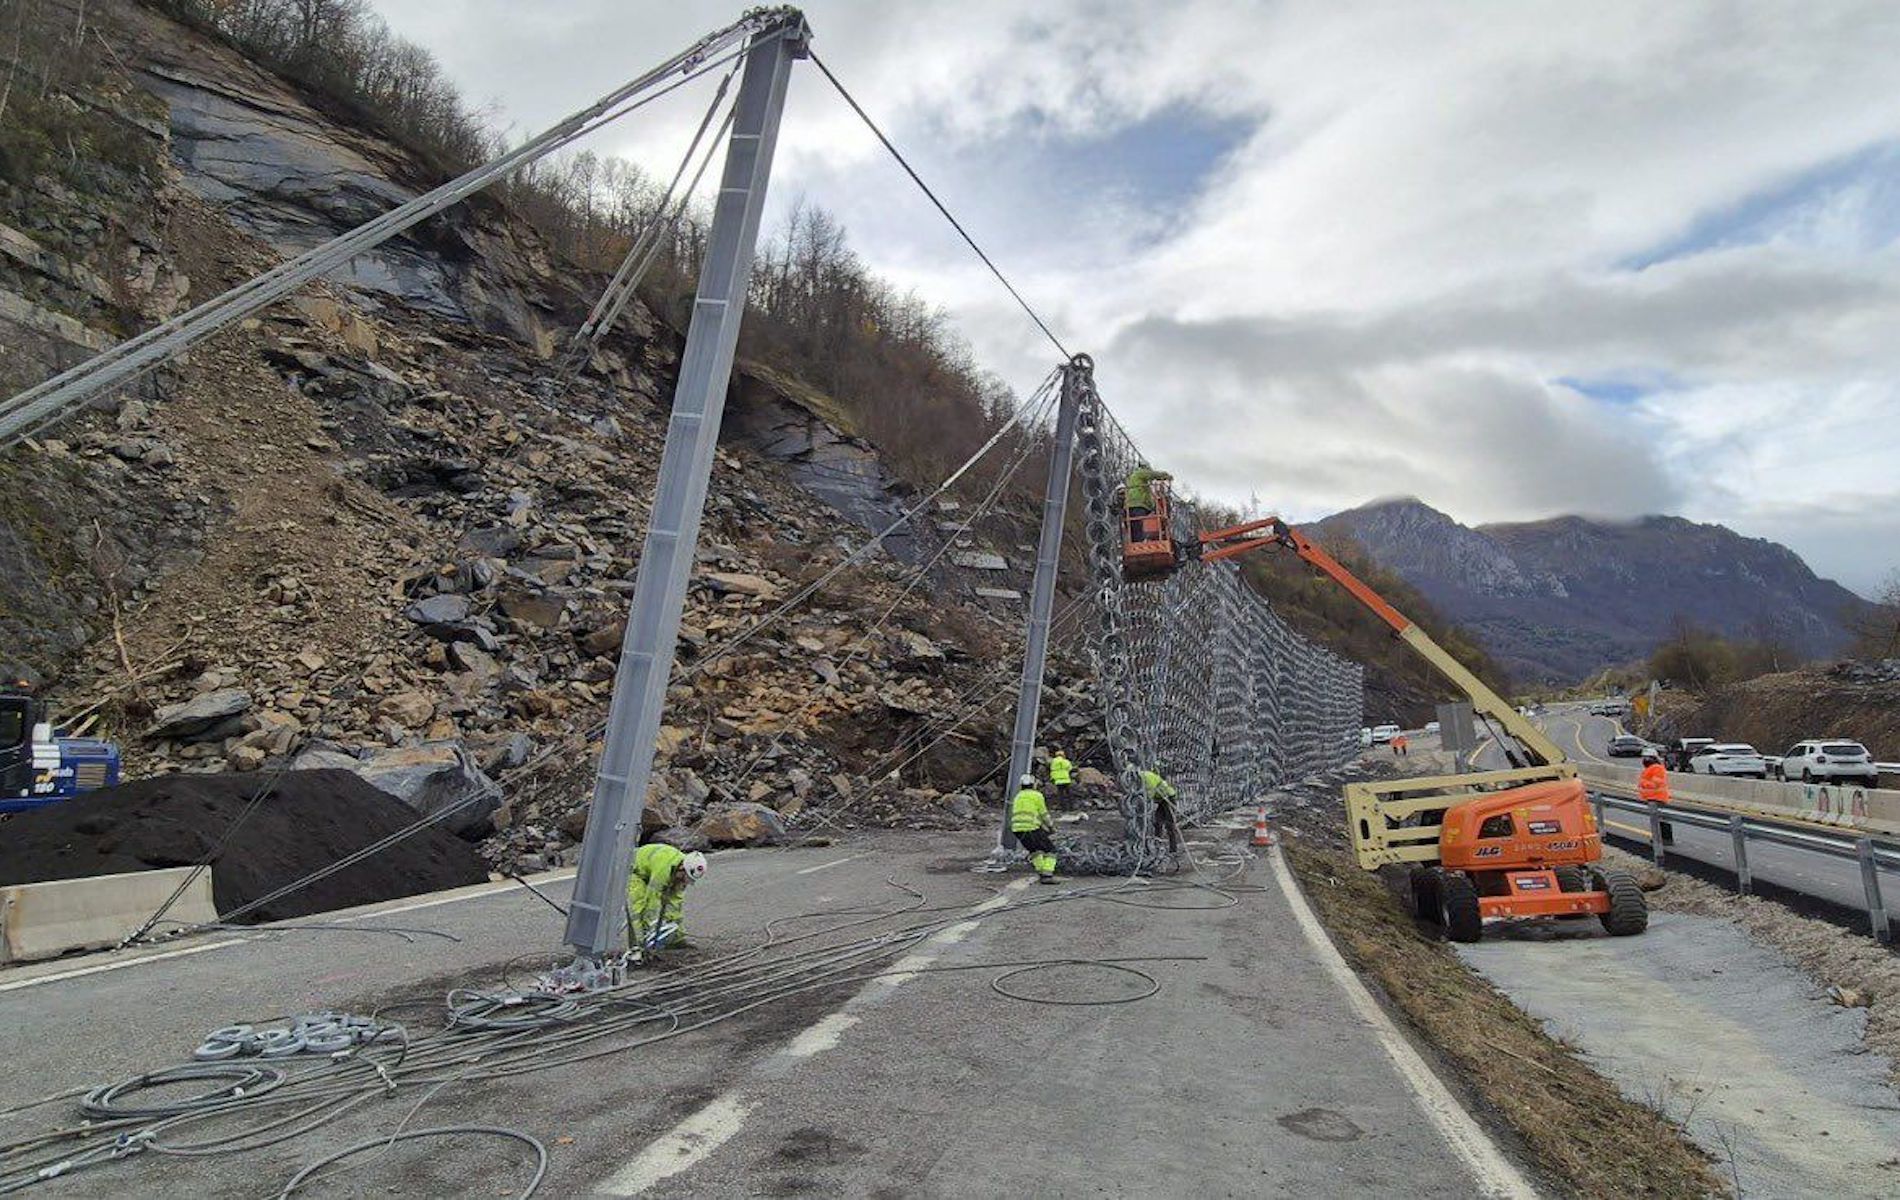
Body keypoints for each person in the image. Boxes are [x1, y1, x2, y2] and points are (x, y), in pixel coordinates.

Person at [626, 843, 708, 952]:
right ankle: (639, 947)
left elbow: (675, 905)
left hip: (653, 870)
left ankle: (675, 940)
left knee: (674, 905)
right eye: (685, 878)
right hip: (636, 872)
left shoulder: (682, 874)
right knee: (638, 909)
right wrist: (652, 928)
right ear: (682, 868)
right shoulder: (663, 869)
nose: (685, 882)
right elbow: (652, 900)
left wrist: (678, 935)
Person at [1010, 773, 1061, 884]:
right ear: (1033, 784)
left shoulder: (1018, 796)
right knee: (1051, 850)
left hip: (1017, 830)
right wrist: (1051, 827)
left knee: (1034, 851)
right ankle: (1047, 875)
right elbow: (1044, 814)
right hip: (1031, 828)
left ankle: (1041, 872)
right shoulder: (1037, 795)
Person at [1638, 749, 1674, 844]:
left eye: (1647, 758)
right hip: (1652, 798)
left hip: (1658, 798)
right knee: (1657, 820)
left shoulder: (1657, 768)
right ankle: (1659, 838)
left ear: (1653, 758)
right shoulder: (1650, 769)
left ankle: (1666, 839)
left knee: (1661, 819)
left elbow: (1655, 784)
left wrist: (1643, 783)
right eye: (1644, 757)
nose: (1645, 760)